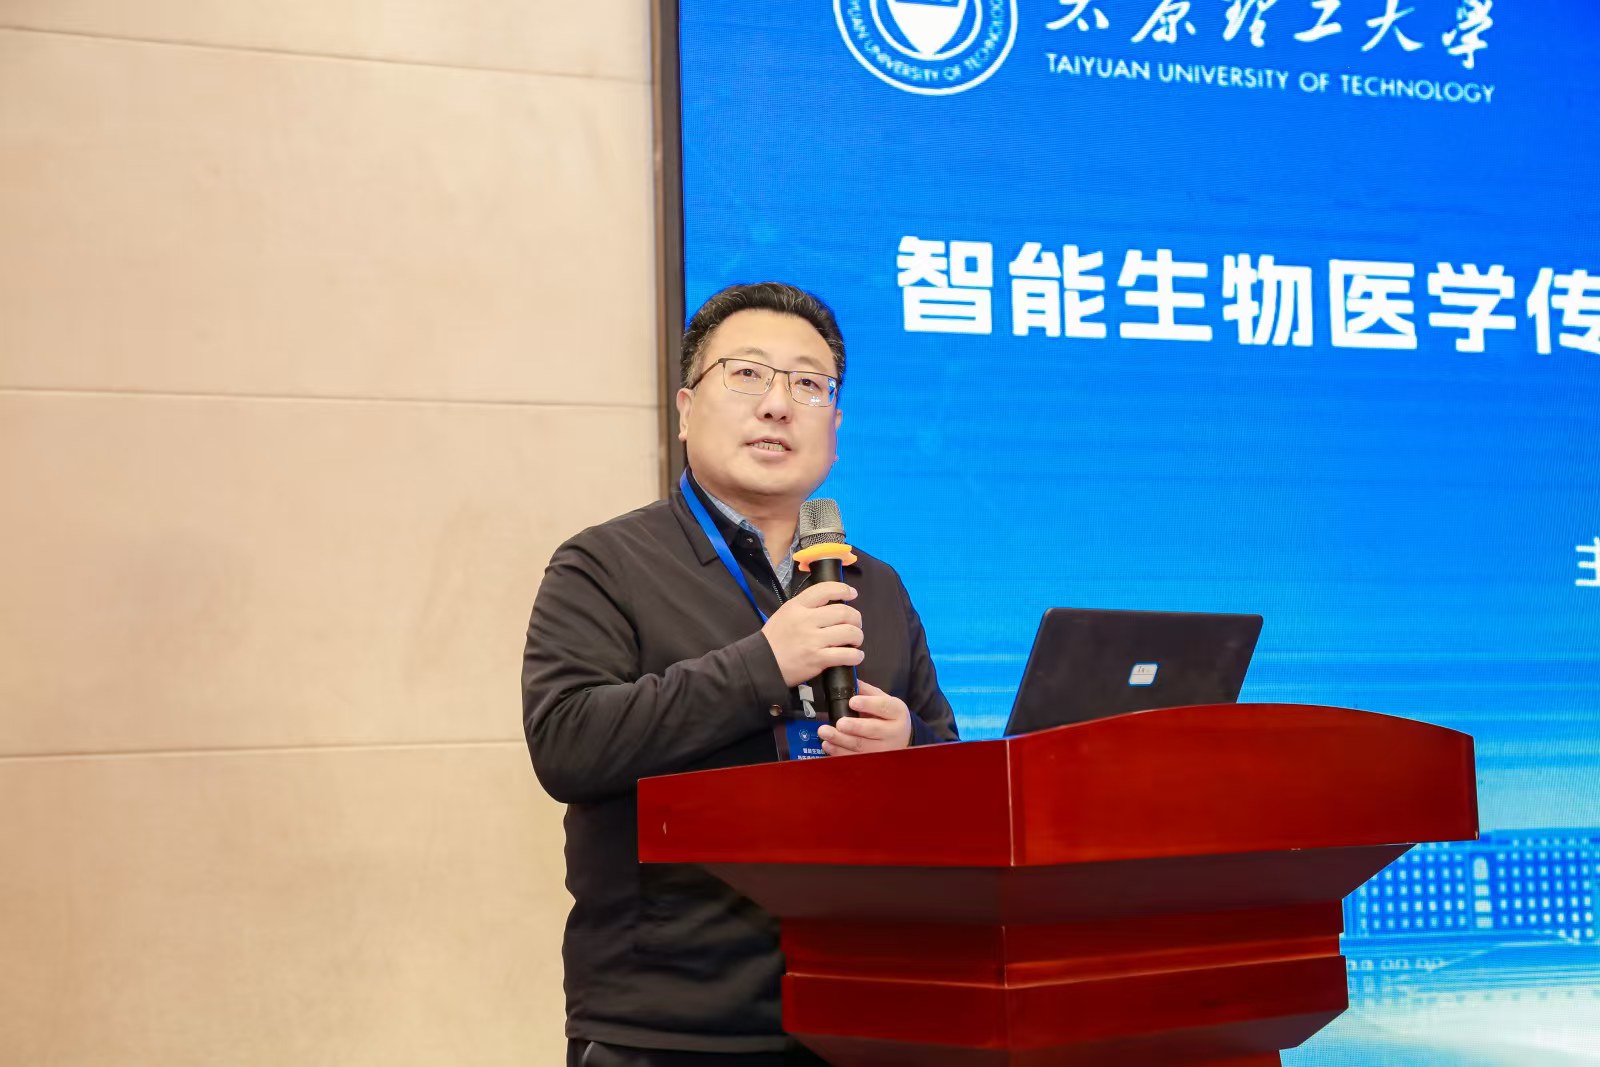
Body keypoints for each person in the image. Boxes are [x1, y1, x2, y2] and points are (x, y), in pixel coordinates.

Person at [522, 282, 958, 1066]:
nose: (779, 405)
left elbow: (954, 772)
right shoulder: (605, 564)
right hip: (672, 1024)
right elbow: (566, 744)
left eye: (809, 384)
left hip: (864, 1012)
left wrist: (910, 745)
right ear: (687, 409)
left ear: (835, 427)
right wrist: (763, 664)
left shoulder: (876, 585)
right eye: (748, 374)